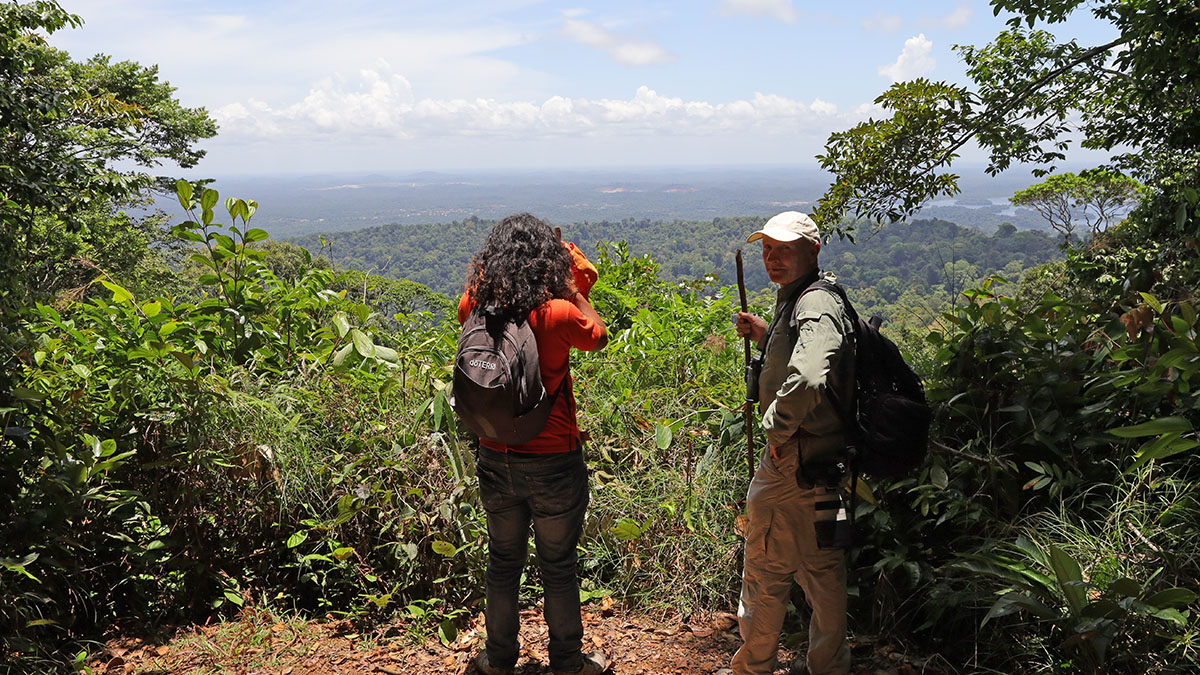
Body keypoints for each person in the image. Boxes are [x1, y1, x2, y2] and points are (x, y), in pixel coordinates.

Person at [458, 213, 609, 675]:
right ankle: (567, 662)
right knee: (558, 565)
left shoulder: (472, 307)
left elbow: (479, 291)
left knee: (503, 561)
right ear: (545, 262)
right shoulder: (559, 314)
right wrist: (569, 277)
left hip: (494, 454)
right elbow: (598, 335)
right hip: (553, 459)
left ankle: (499, 659)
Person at [723, 211, 855, 675]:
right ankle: (829, 664)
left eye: (784, 249)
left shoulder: (814, 305)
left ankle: (754, 666)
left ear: (813, 251)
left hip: (790, 461)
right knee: (825, 567)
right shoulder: (811, 298)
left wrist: (775, 431)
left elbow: (812, 373)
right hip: (826, 464)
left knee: (765, 566)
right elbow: (804, 357)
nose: (772, 259)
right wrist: (765, 333)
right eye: (766, 249)